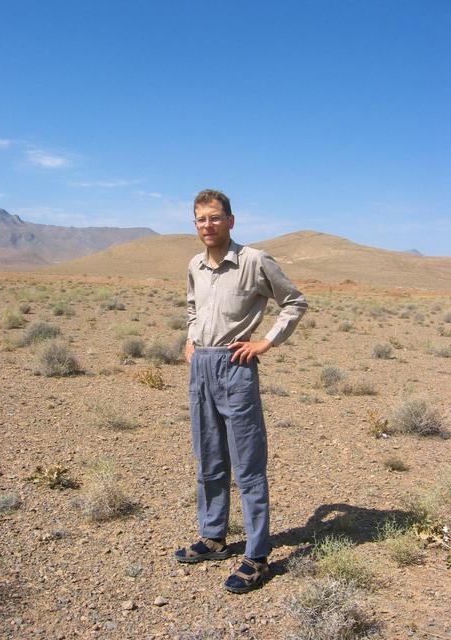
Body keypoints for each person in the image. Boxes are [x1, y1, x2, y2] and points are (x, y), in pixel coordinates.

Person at [175, 189, 308, 593]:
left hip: (236, 367)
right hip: (201, 367)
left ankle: (257, 555)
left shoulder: (254, 260)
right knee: (208, 457)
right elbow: (193, 304)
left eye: (214, 218)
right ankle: (213, 536)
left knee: (248, 464)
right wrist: (190, 337)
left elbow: (294, 302)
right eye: (200, 219)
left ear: (231, 221)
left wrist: (265, 342)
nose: (207, 226)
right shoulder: (195, 265)